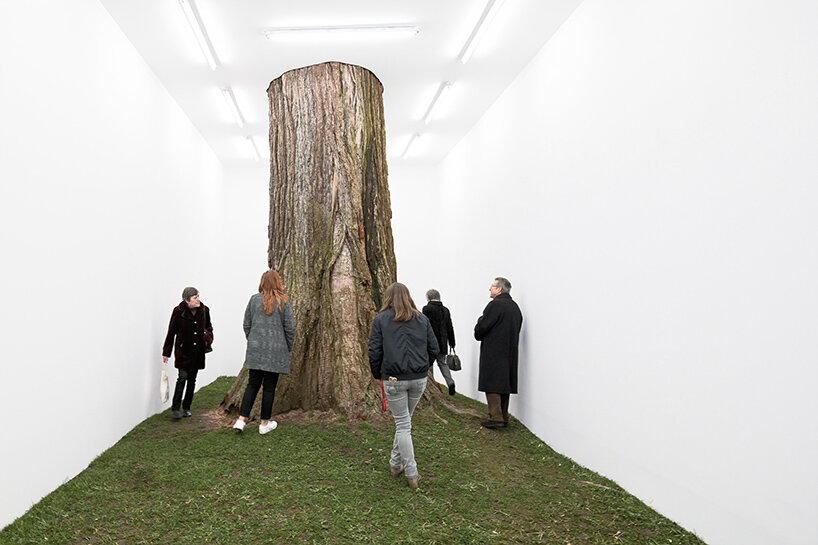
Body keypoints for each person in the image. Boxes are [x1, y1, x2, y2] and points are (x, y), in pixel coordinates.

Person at [369, 282, 439, 489]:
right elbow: (434, 348)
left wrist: (378, 373)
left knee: (403, 425)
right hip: (416, 379)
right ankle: (394, 463)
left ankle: (411, 472)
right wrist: (423, 367)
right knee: (404, 423)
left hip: (395, 379)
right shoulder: (421, 319)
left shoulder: (381, 320)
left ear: (388, 297)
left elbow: (374, 351)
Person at [233, 270, 295, 435]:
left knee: (252, 385)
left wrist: (253, 341)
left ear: (262, 282)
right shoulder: (284, 301)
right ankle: (264, 424)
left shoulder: (254, 300)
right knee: (269, 388)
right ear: (278, 283)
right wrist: (287, 347)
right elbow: (290, 328)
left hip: (255, 351)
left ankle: (241, 420)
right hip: (275, 352)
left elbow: (246, 324)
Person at [474, 277, 523, 429]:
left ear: (499, 289)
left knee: (492, 382)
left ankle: (495, 417)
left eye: (492, 287)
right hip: (510, 351)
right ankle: (504, 415)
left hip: (494, 350)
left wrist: (480, 320)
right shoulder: (515, 307)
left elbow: (482, 328)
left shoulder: (495, 305)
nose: (490, 289)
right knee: (504, 383)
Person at [162, 287, 214, 420]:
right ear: (187, 300)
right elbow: (171, 331)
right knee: (182, 378)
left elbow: (209, 328)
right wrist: (166, 352)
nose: (198, 299)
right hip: (183, 352)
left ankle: (186, 408)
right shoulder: (178, 311)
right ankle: (175, 408)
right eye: (195, 297)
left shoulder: (204, 310)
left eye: (198, 296)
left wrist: (207, 339)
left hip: (197, 352)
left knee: (192, 380)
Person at [421, 289, 457, 396]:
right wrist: (452, 341)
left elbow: (424, 326)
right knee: (443, 363)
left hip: (430, 343)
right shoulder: (445, 310)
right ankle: (450, 383)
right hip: (442, 343)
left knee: (429, 364)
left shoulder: (427, 309)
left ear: (428, 298)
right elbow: (450, 327)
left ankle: (431, 383)